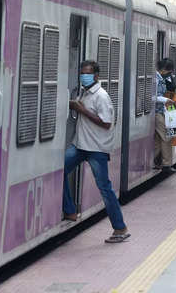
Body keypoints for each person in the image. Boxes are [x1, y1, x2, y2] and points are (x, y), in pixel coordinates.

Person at [64, 60, 130, 243]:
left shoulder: (101, 96)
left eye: (87, 73)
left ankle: (120, 228)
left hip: (96, 149)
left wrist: (81, 110)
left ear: (96, 76)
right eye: (82, 73)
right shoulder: (84, 92)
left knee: (105, 188)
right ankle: (69, 211)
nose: (83, 76)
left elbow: (106, 122)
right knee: (57, 172)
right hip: (80, 145)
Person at [154, 58, 176, 173]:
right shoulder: (156, 79)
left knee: (158, 139)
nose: (170, 74)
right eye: (169, 72)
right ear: (163, 70)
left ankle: (153, 161)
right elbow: (154, 96)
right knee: (167, 136)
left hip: (162, 111)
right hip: (156, 112)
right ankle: (166, 164)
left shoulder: (162, 78)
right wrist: (166, 100)